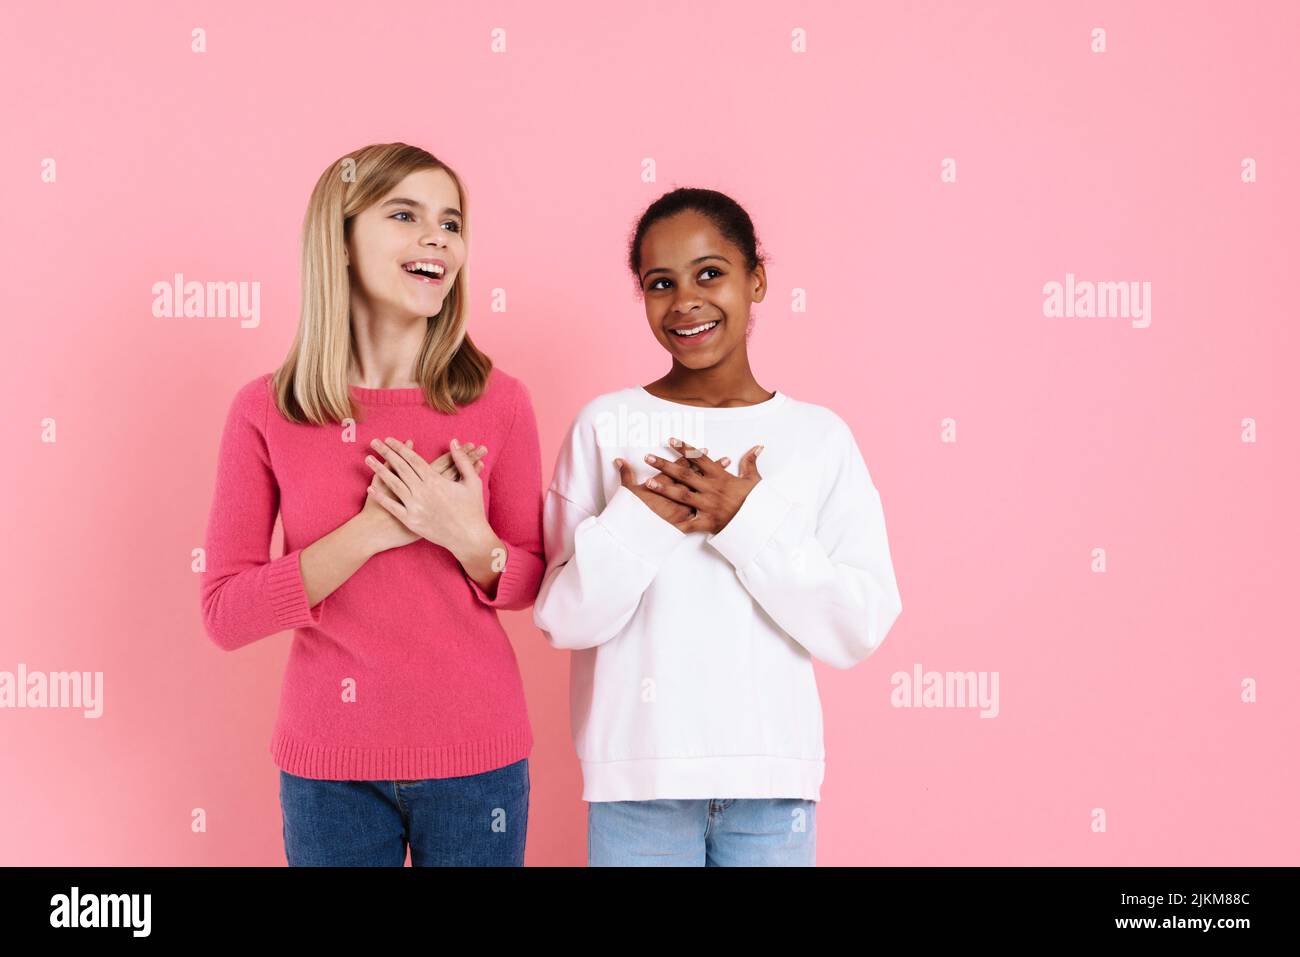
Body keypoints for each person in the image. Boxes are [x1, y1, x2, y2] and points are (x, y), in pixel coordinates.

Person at [533, 187, 903, 866]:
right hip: (636, 787)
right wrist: (643, 522)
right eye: (660, 283)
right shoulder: (605, 425)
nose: (685, 301)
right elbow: (563, 617)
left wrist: (745, 518)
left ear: (756, 278)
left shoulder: (819, 437)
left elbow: (859, 623)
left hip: (773, 788)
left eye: (710, 273)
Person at [200, 143, 543, 866]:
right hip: (329, 769)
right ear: (343, 240)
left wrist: (464, 535)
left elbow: (536, 580)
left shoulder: (500, 402)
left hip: (477, 758)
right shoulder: (267, 410)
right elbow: (225, 612)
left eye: (450, 223)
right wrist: (370, 532)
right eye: (405, 215)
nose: (436, 239)